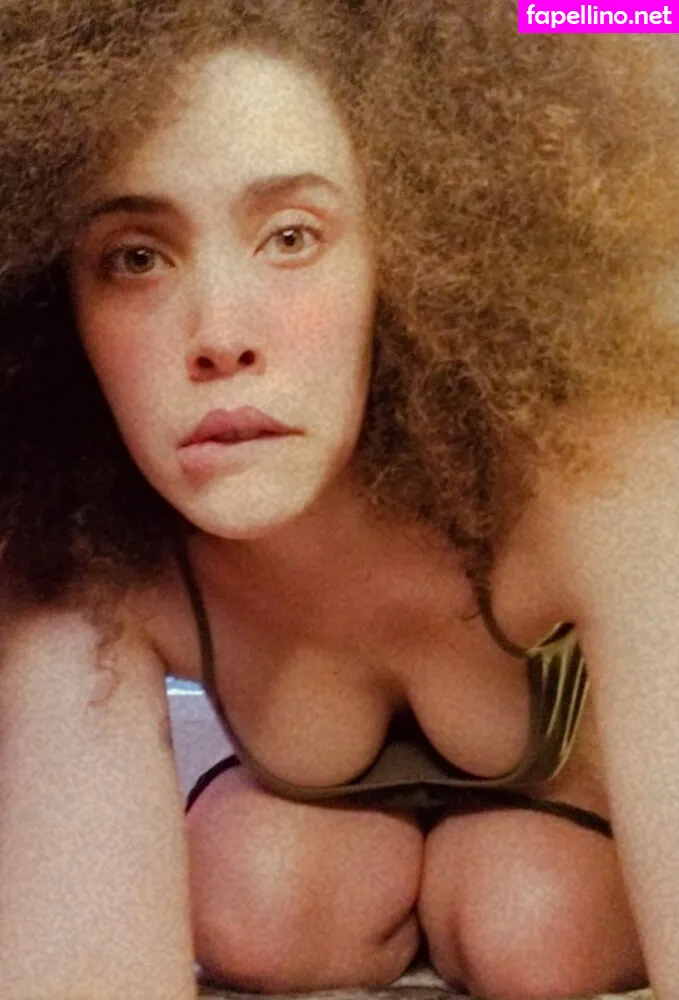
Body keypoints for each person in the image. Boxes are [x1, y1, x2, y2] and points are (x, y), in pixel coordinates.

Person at [1, 2, 679, 998]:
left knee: (529, 921)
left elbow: (638, 17)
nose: (218, 334)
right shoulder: (75, 534)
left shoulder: (592, 467)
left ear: (409, 255)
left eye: (291, 236)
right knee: (255, 895)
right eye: (136, 257)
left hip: (553, 840)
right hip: (306, 851)